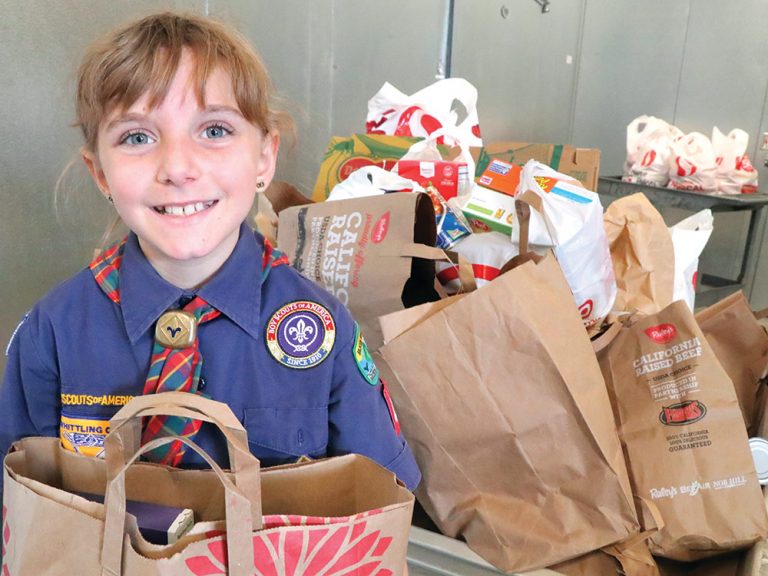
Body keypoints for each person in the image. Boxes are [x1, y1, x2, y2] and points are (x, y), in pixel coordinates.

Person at [0, 10, 419, 513]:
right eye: (137, 137)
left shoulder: (321, 331)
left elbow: (382, 505)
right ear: (101, 174)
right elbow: (18, 505)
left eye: (215, 129)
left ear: (264, 156)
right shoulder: (51, 333)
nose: (178, 168)